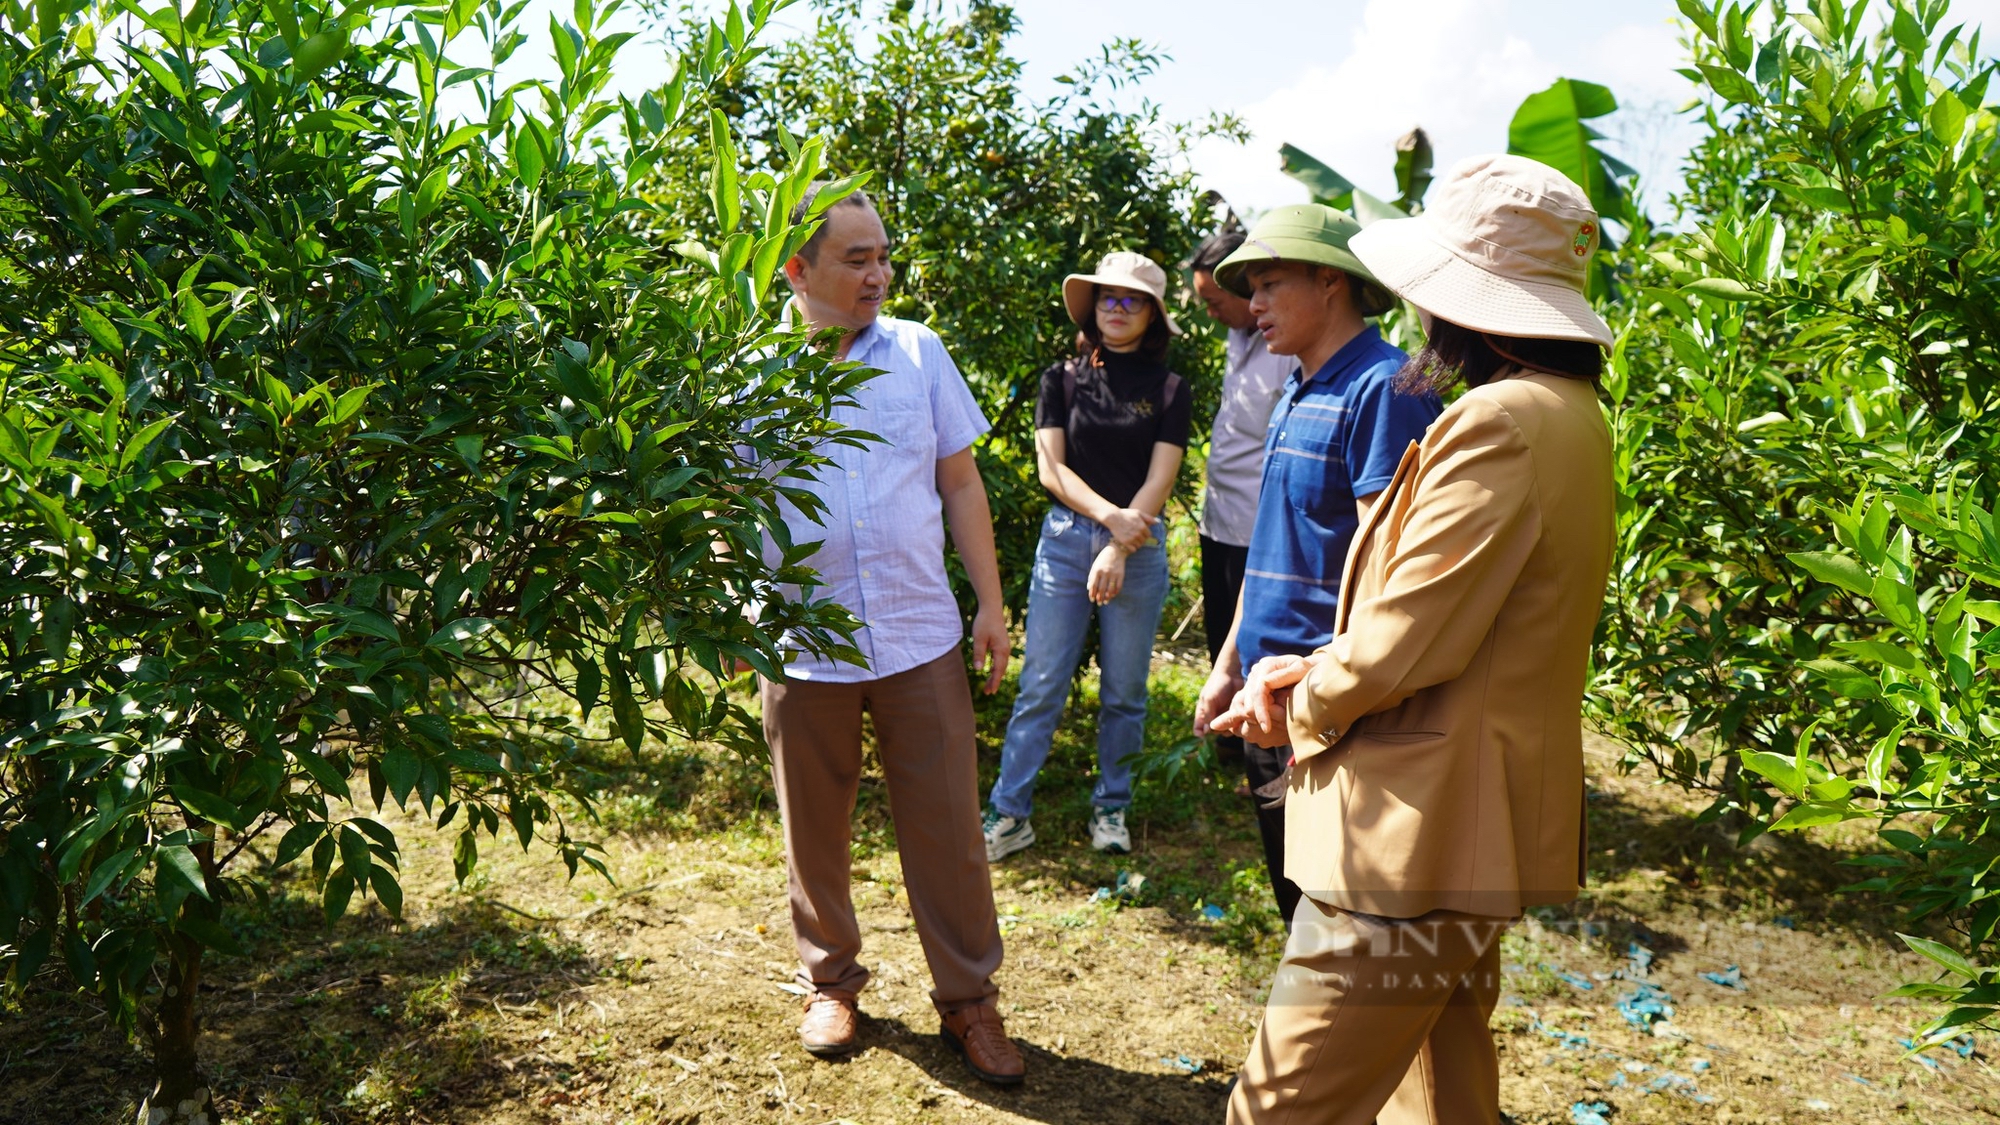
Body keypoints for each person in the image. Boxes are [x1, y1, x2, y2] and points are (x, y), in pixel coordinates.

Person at [1213, 155, 1618, 1124]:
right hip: (1464, 827)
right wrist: (1309, 663)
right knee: (1434, 1094)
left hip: (1412, 836)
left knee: (1277, 1108)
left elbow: (1405, 640)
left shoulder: (1497, 421)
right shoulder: (1569, 417)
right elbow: (1469, 623)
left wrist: (1295, 700)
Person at [755, 184, 1023, 1085]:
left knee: (948, 822)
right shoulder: (747, 372)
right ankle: (829, 978)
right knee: (814, 826)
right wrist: (730, 608)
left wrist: (990, 604)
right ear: (797, 268)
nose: (880, 274)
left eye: (883, 255)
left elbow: (960, 485)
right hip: (801, 640)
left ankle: (969, 1000)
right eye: (856, 258)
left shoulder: (918, 352)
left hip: (918, 632)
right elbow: (721, 506)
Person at [1189, 206, 1441, 927]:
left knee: (1346, 924)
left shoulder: (1386, 388)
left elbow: (1389, 571)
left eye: (1268, 284)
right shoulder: (1297, 388)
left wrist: (1329, 690)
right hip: (1273, 702)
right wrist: (1228, 663)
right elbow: (1274, 547)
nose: (1254, 305)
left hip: (1331, 710)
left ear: (1331, 280)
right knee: (1300, 908)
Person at [982, 251, 1192, 861]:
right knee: (1041, 684)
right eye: (1108, 298)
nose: (1119, 308)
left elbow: (1161, 477)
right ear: (1093, 308)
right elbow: (1053, 471)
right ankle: (1010, 812)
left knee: (1125, 692)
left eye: (1133, 300)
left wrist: (1123, 545)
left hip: (1140, 550)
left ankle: (1112, 807)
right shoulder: (1063, 378)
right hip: (1068, 544)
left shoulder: (1171, 389)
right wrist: (1110, 526)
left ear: (1152, 315)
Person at [1186, 230, 1297, 773]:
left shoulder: (1285, 348)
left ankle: (1263, 745)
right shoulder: (1241, 338)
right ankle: (1232, 744)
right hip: (1219, 518)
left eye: (1214, 300)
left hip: (1259, 525)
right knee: (1222, 632)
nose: (1213, 312)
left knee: (1254, 638)